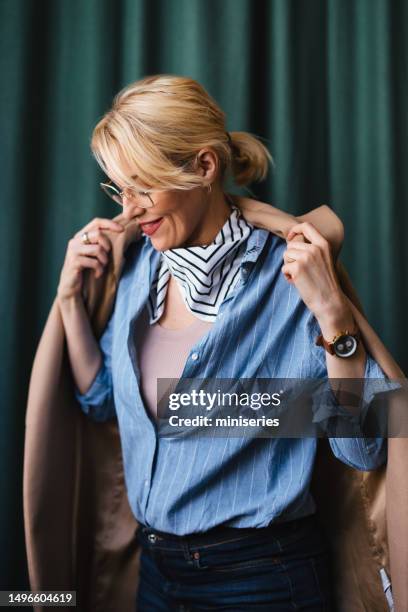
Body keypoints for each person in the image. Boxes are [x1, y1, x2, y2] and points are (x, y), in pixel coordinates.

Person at [56, 74, 393, 611]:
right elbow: (102, 403)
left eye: (143, 185)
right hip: (156, 576)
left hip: (263, 580)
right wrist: (70, 302)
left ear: (205, 167)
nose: (129, 208)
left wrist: (333, 316)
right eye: (119, 188)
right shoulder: (140, 267)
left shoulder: (292, 277)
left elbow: (363, 445)